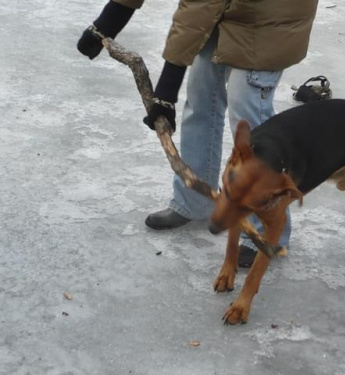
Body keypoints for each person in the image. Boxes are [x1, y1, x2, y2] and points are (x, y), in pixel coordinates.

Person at [78, 0, 319, 267]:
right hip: (223, 11)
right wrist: (106, 23)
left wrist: (167, 88)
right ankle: (194, 201)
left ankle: (268, 233)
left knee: (250, 117)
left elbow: (201, 4)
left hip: (269, 16)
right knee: (201, 95)